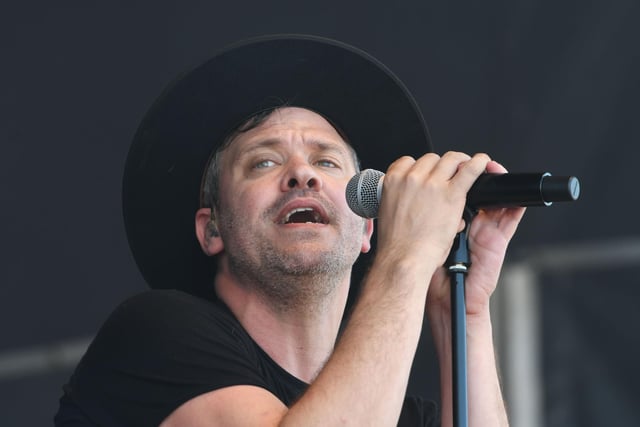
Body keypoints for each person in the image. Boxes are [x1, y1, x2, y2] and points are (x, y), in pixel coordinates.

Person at [55, 35, 524, 426]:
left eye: (326, 160)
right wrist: (406, 257)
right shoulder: (154, 336)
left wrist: (461, 312)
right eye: (264, 161)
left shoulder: (399, 416)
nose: (303, 175)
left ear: (367, 230)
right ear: (211, 228)